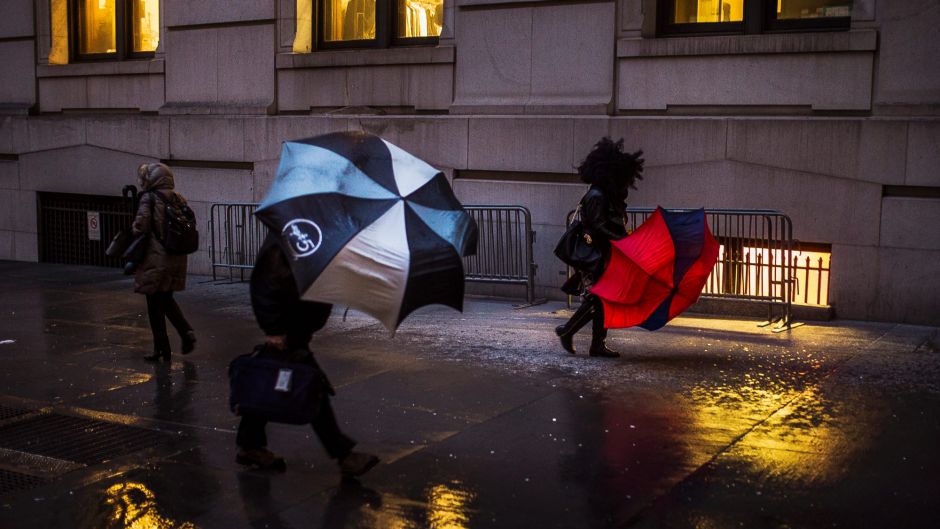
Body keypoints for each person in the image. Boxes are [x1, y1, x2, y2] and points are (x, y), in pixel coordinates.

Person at [235, 232, 380, 477]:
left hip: (298, 325)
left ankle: (250, 445)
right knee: (312, 386)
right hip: (287, 326)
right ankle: (343, 454)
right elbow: (266, 283)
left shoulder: (315, 233)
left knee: (269, 380)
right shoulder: (288, 234)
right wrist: (274, 328)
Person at [555, 138, 644, 358]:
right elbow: (599, 226)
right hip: (593, 256)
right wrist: (622, 240)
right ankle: (569, 331)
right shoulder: (596, 195)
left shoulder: (607, 195)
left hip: (603, 255)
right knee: (599, 298)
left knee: (603, 299)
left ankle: (595, 343)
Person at [131, 163, 196, 362]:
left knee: (154, 303)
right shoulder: (178, 198)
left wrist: (134, 227)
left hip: (156, 258)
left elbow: (141, 227)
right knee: (166, 299)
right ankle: (185, 332)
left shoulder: (149, 199)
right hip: (176, 256)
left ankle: (162, 348)